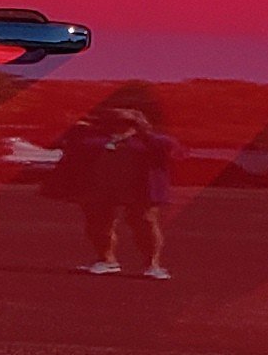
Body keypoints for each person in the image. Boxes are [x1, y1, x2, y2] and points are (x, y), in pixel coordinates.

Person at [48, 85, 177, 278]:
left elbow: (173, 150)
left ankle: (153, 265)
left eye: (124, 117)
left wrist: (143, 129)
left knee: (144, 221)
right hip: (99, 185)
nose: (118, 120)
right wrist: (71, 124)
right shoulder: (89, 135)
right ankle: (106, 260)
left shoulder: (149, 139)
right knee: (99, 222)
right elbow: (53, 143)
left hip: (138, 187)